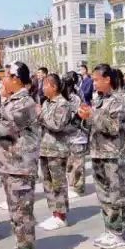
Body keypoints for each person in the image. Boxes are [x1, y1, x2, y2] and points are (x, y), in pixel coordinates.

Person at [0, 62, 42, 249]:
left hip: (20, 166)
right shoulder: (12, 100)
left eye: (6, 76)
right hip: (10, 165)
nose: (2, 80)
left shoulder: (25, 102)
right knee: (15, 213)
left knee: (22, 214)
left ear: (16, 79)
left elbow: (4, 128)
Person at [78, 63, 125, 249]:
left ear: (107, 79)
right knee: (103, 194)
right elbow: (93, 125)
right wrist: (85, 118)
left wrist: (92, 115)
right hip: (98, 152)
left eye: (96, 80)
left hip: (113, 154)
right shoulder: (99, 100)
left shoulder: (118, 100)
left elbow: (114, 127)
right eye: (93, 80)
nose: (94, 83)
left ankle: (118, 233)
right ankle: (110, 229)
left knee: (116, 194)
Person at [37, 73, 73, 231]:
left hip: (57, 149)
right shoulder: (46, 103)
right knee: (48, 183)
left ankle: (61, 216)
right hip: (45, 148)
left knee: (58, 184)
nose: (42, 88)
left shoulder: (63, 104)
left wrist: (40, 116)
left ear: (54, 87)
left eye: (45, 85)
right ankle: (54, 213)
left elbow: (57, 125)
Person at [62, 71, 88, 197]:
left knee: (77, 163)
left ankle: (77, 188)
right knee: (70, 163)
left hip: (77, 134)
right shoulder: (66, 96)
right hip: (67, 135)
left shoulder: (75, 97)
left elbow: (78, 115)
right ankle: (72, 185)